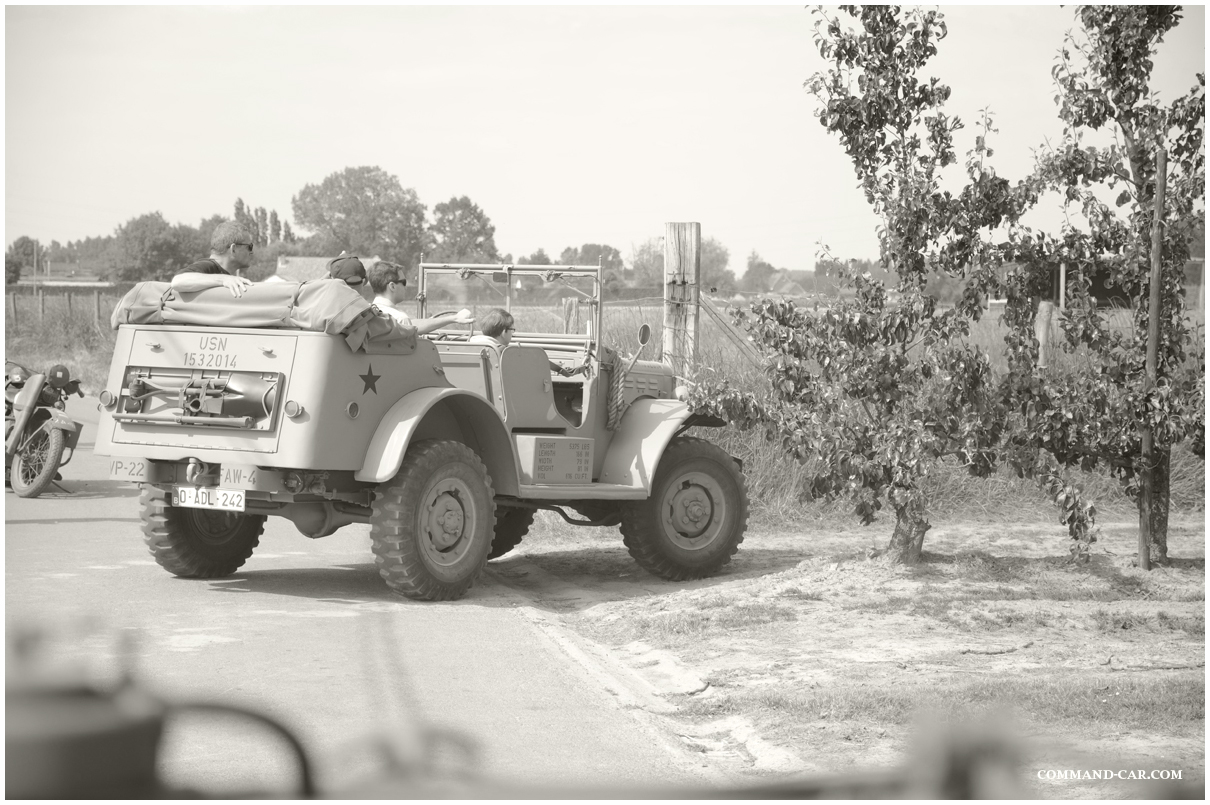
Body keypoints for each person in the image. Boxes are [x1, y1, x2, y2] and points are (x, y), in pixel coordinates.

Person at [470, 307, 585, 376]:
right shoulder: (505, 353)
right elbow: (534, 362)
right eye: (512, 330)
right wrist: (561, 370)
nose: (513, 333)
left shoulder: (469, 347)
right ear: (503, 332)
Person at [367, 260, 473, 335]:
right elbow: (411, 326)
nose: (405, 286)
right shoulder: (399, 318)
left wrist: (451, 318)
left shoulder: (368, 313)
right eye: (403, 282)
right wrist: (455, 318)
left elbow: (412, 324)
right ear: (392, 286)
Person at [171, 220, 255, 297]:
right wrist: (224, 279)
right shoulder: (208, 266)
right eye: (249, 246)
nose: (251, 252)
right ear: (233, 249)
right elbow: (178, 281)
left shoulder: (218, 272)